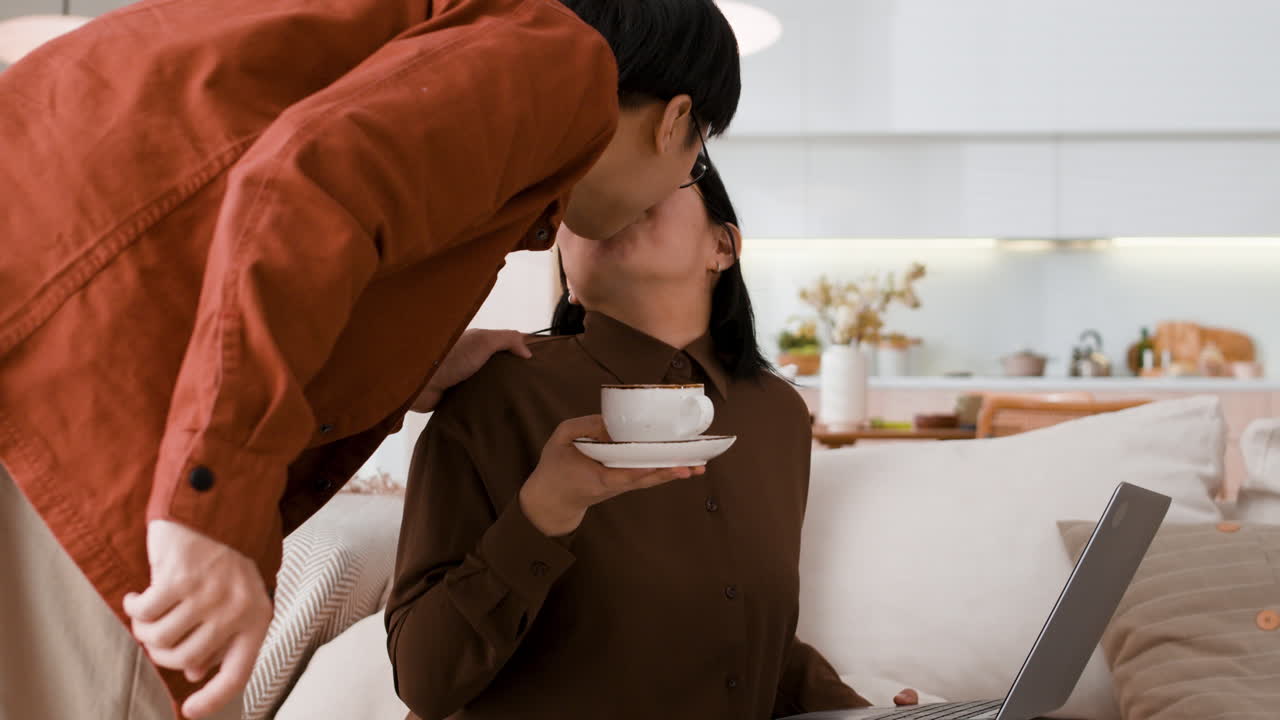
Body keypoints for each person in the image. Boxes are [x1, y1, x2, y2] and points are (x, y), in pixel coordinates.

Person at [0, 1, 741, 718]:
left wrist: (415, 366)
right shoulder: (562, 61)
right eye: (692, 162)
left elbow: (312, 219)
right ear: (678, 119)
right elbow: (307, 190)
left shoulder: (476, 59)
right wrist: (208, 505)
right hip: (83, 351)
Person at [387, 162, 918, 718]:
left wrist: (866, 713)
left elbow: (755, 649)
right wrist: (541, 514)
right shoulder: (494, 390)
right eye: (584, 198)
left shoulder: (777, 415)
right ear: (566, 265)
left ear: (723, 246)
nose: (613, 192)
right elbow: (424, 681)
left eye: (654, 173)